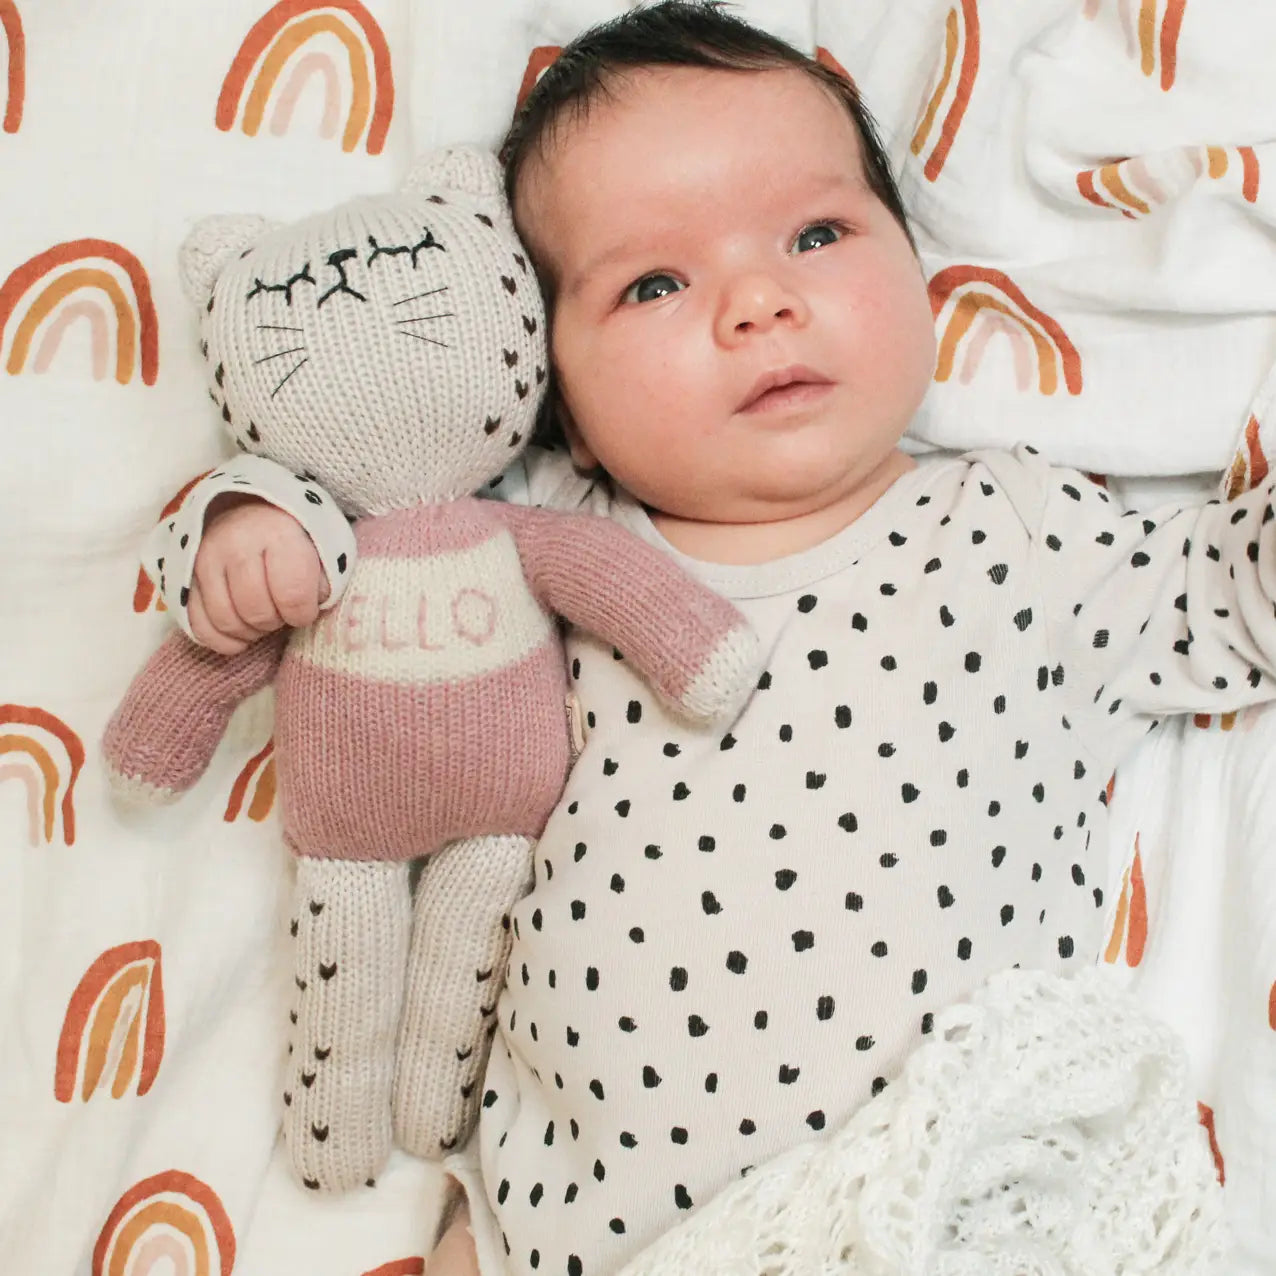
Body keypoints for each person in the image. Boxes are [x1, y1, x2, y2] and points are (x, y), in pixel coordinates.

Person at [143, 4, 1276, 1272]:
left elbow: (1229, 596)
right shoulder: (537, 549)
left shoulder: (1016, 525)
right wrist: (251, 519)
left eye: (816, 234)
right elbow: (351, 514)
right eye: (655, 284)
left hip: (935, 1196)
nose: (757, 302)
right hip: (568, 1226)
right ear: (553, 398)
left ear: (917, 267)